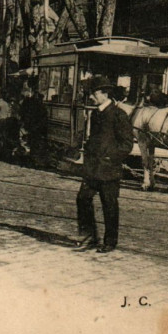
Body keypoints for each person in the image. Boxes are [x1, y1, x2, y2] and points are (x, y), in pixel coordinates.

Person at [73, 76, 134, 254]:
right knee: (82, 198)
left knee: (109, 205)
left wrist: (110, 158)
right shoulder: (95, 114)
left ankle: (110, 242)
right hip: (92, 169)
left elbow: (127, 144)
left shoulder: (119, 115)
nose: (91, 97)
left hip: (109, 169)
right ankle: (89, 237)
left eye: (94, 93)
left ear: (105, 94)